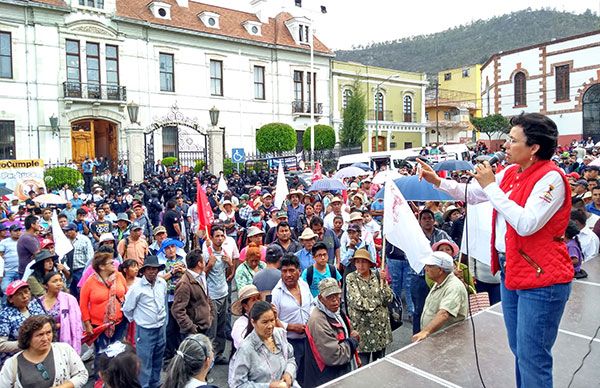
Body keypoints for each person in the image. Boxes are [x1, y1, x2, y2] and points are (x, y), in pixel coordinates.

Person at [418, 112, 573, 387]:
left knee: (533, 355)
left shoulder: (552, 179)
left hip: (541, 278)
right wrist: (437, 182)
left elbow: (526, 223)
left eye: (513, 140)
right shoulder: (512, 173)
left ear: (534, 148)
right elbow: (476, 194)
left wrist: (492, 186)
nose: (504, 146)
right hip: (513, 269)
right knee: (519, 351)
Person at [0, 315, 88, 387]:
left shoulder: (64, 350)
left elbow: (82, 375)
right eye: (40, 335)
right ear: (28, 338)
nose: (45, 338)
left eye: (49, 332)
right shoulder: (12, 364)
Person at [79, 251, 128, 377]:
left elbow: (127, 294)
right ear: (101, 266)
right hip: (99, 325)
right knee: (102, 353)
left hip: (119, 323)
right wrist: (87, 324)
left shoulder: (119, 276)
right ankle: (100, 380)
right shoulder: (90, 282)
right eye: (110, 262)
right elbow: (83, 304)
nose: (114, 264)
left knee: (117, 351)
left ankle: (116, 379)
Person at [122, 255, 168, 388]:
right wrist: (138, 320)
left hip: (160, 328)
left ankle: (155, 383)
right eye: (149, 269)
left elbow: (163, 303)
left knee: (158, 359)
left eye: (155, 269)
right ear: (144, 271)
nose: (152, 271)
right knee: (144, 362)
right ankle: (144, 385)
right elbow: (127, 309)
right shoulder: (136, 288)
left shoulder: (162, 283)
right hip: (145, 330)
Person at [304, 278, 359, 387]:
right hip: (326, 378)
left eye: (336, 295)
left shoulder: (335, 311)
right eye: (329, 297)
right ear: (320, 298)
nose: (335, 300)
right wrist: (352, 342)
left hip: (339, 372)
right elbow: (334, 356)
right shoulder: (318, 321)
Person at [229, 301, 297, 388]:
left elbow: (290, 358)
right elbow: (238, 385)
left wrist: (288, 373)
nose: (270, 326)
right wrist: (269, 386)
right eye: (265, 322)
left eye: (272, 320)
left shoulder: (279, 335)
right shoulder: (246, 349)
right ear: (253, 322)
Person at [345, 248, 393, 365]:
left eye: (364, 262)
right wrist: (377, 301)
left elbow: (388, 298)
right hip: (362, 331)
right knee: (363, 366)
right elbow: (358, 302)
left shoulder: (377, 276)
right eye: (358, 262)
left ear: (369, 263)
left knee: (380, 365)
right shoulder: (351, 278)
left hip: (380, 330)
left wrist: (384, 281)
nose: (360, 265)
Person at [271, 253, 313, 386]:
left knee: (307, 376)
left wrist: (310, 322)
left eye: (291, 270)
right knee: (290, 378)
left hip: (308, 340)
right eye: (284, 271)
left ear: (299, 271)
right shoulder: (276, 292)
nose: (288, 275)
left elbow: (312, 305)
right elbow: (273, 320)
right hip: (288, 343)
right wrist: (291, 327)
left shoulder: (304, 285)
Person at [412, 252, 468, 342]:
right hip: (436, 339)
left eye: (430, 266)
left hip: (447, 342)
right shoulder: (439, 282)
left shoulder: (454, 287)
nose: (425, 269)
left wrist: (425, 331)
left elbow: (444, 314)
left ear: (440, 270)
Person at [203, 225, 234, 364]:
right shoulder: (207, 254)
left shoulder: (225, 252)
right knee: (212, 329)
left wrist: (231, 264)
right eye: (217, 236)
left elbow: (228, 275)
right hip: (212, 296)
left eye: (222, 235)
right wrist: (209, 265)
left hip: (224, 293)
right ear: (212, 237)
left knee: (222, 327)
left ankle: (219, 353)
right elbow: (200, 276)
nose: (220, 238)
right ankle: (209, 357)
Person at [0, 280, 45, 367]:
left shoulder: (35, 306)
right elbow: (1, 344)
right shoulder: (5, 315)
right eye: (20, 294)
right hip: (15, 361)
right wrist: (26, 343)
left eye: (26, 292)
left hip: (38, 356)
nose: (25, 296)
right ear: (10, 299)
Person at [171, 249, 214, 338]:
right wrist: (191, 328)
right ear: (199, 263)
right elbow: (177, 310)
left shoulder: (201, 276)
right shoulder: (184, 284)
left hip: (204, 327)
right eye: (203, 260)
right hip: (194, 331)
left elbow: (206, 297)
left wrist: (210, 315)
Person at [39, 271, 83, 354]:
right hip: (45, 339)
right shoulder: (38, 302)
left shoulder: (69, 299)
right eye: (54, 281)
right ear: (45, 285)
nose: (59, 283)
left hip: (64, 339)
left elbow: (76, 323)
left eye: (60, 280)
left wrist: (60, 325)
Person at [230, 285, 261, 351]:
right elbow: (244, 347)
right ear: (245, 306)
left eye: (258, 298)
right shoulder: (240, 325)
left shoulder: (263, 319)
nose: (258, 302)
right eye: (253, 300)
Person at [0, 224, 22, 292]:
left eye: (19, 230)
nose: (18, 232)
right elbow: (0, 256)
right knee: (5, 289)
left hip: (20, 270)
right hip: (8, 270)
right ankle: (4, 303)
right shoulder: (4, 242)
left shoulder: (23, 240)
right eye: (15, 231)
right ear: (10, 232)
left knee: (20, 290)